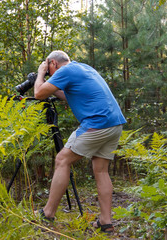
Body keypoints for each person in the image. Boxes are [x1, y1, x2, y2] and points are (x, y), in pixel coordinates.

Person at [34, 50, 126, 233]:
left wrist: (39, 74)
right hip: (115, 123)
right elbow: (69, 95)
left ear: (53, 63)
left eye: (49, 69)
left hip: (97, 123)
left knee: (62, 160)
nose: (50, 74)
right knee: (101, 169)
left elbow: (38, 93)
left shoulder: (64, 71)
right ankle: (105, 222)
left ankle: (48, 213)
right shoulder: (84, 68)